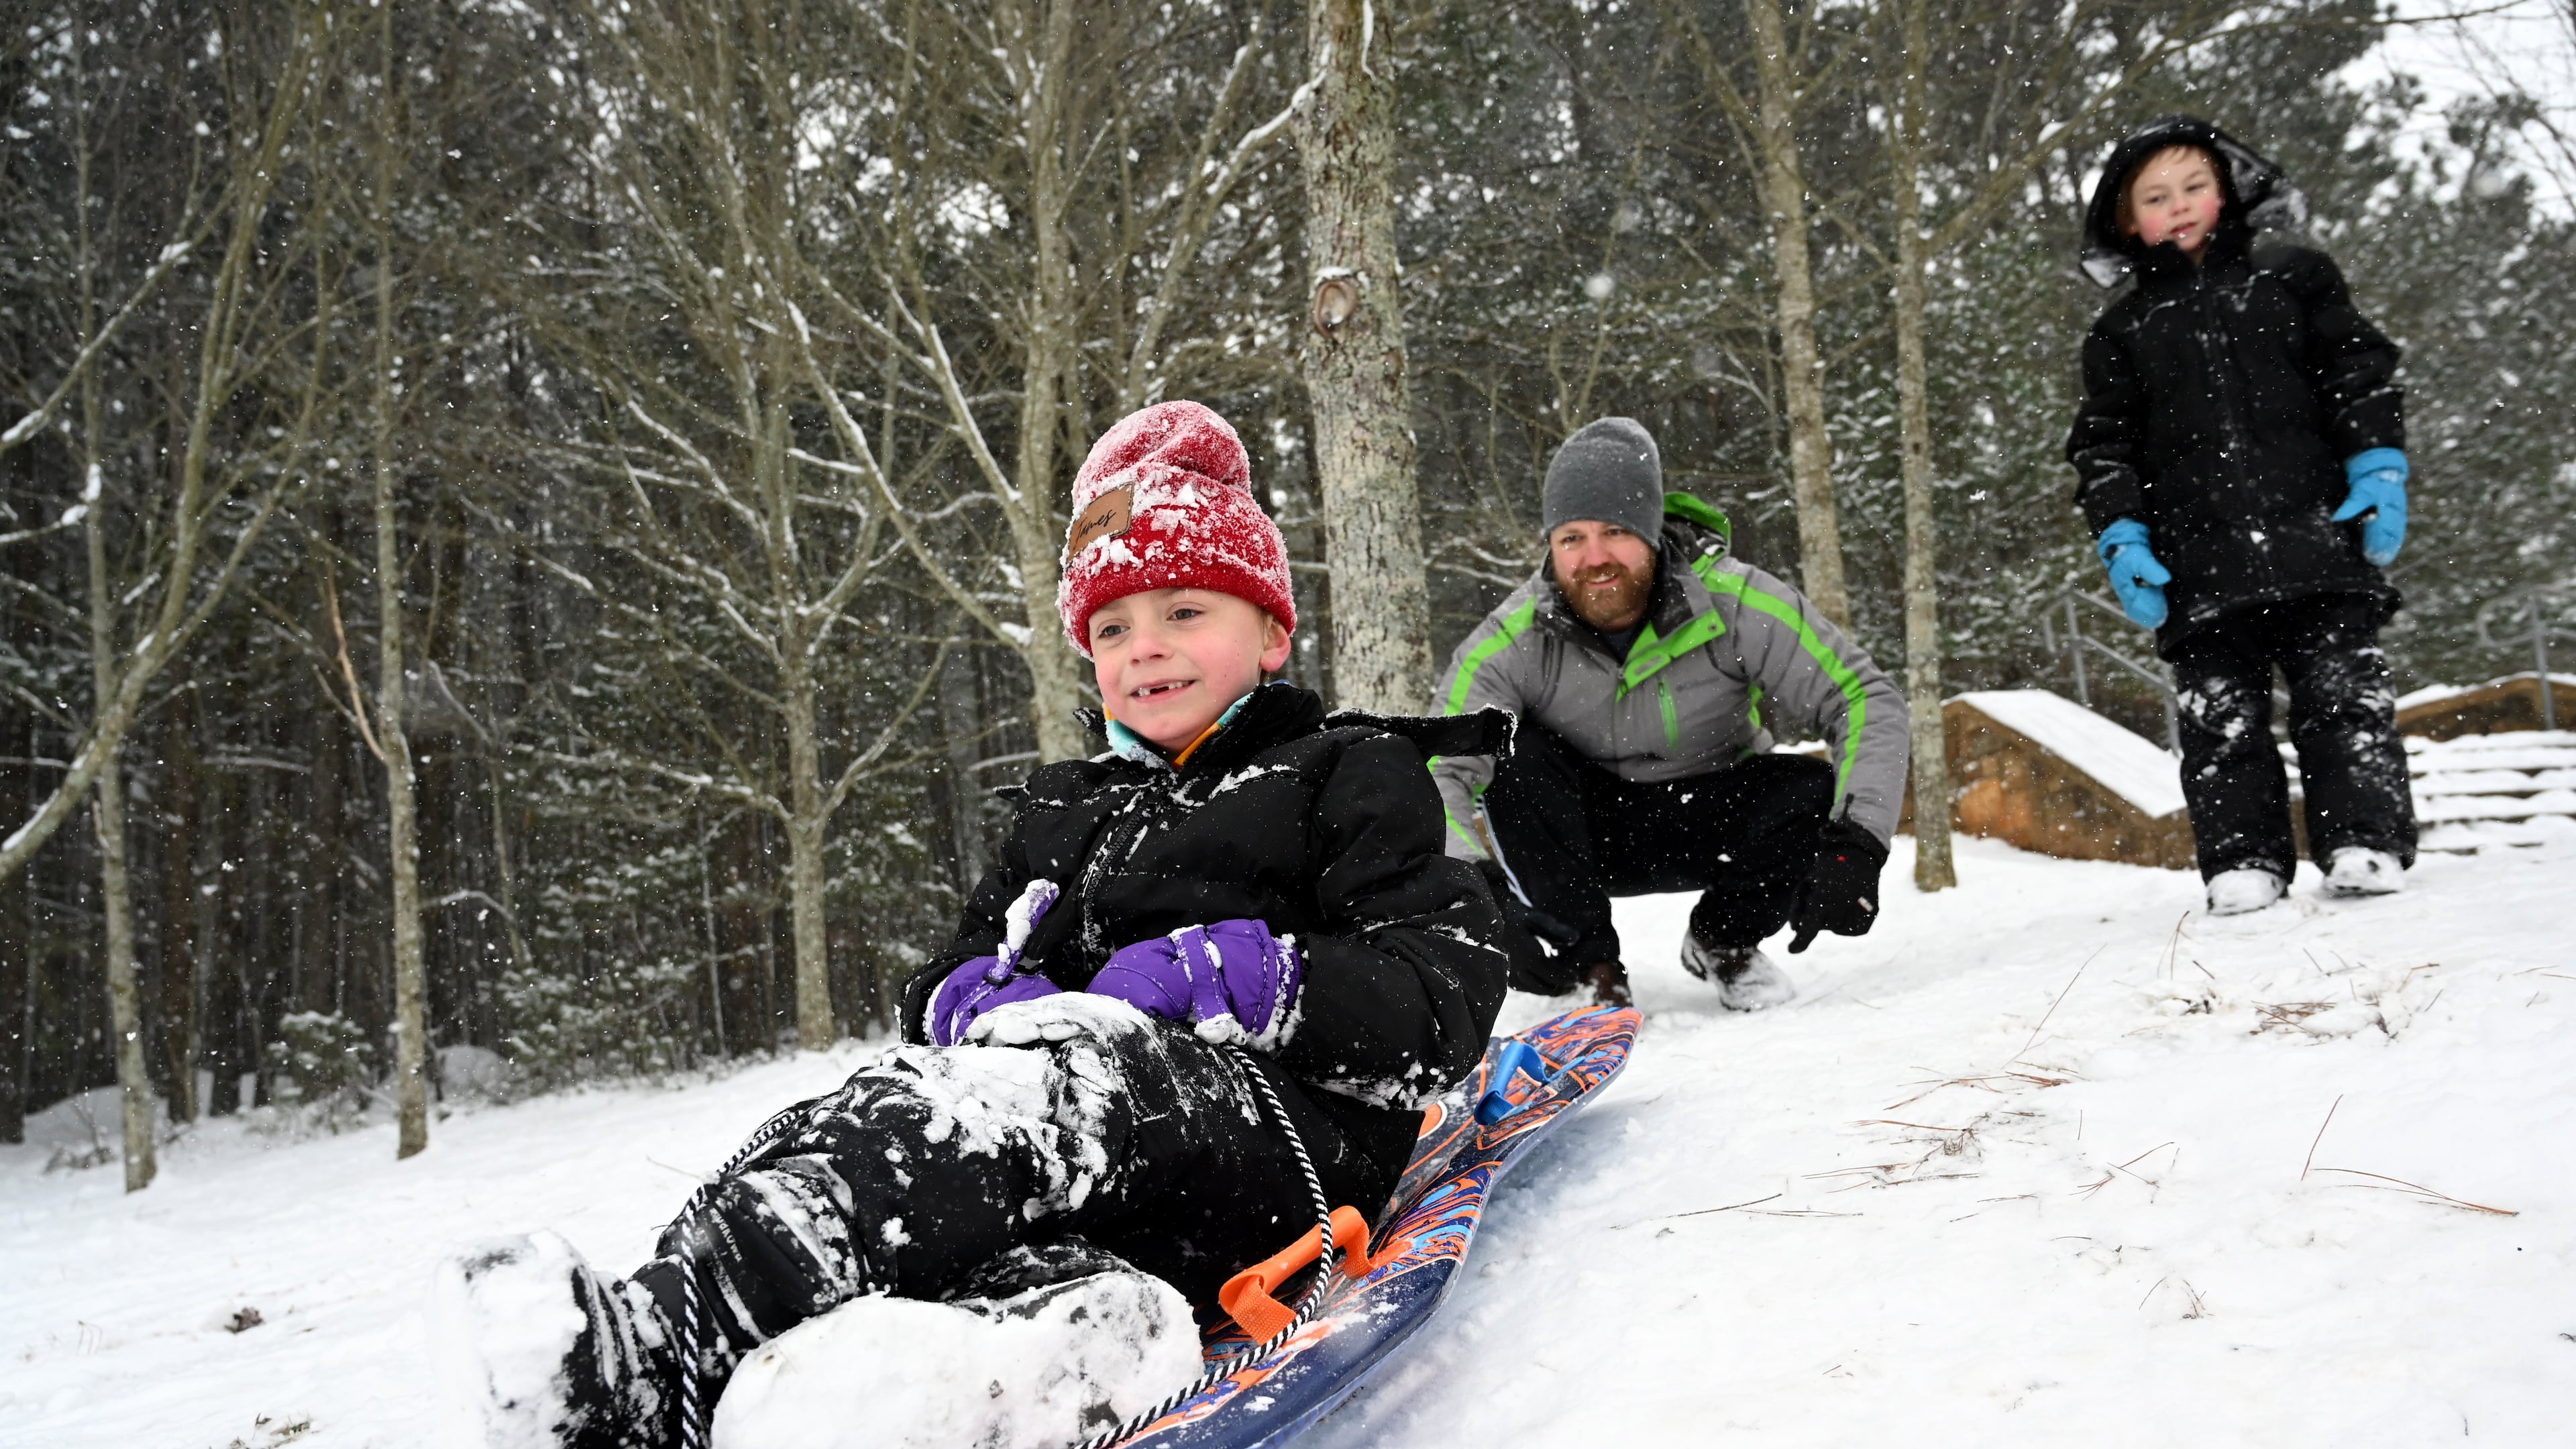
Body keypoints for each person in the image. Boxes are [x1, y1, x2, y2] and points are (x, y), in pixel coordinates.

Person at [435, 401, 1510, 1447]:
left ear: (1272, 630)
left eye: (1187, 612)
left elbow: (1445, 988)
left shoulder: (1344, 772)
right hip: (1091, 1163)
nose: (1148, 649)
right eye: (1114, 627)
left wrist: (1237, 974)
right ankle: (1034, 1342)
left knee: (1021, 1106)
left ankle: (662, 1364)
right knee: (891, 1106)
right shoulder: (1065, 808)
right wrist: (971, 997)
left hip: (1281, 1148)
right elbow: (952, 968)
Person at [1431, 417, 1909, 1012]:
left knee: (1810, 787)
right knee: (1513, 757)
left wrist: (1859, 845)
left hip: (1714, 817)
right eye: (1571, 538)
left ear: (1654, 533)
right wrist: (1473, 894)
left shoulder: (1737, 602)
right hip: (1585, 835)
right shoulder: (1511, 639)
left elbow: (1862, 696)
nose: (1595, 558)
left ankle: (1723, 940)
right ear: (1550, 547)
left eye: (1616, 531)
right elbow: (1438, 770)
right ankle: (1591, 971)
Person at [2067, 116, 2416, 916]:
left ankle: (2363, 838)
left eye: (2195, 186)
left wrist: (2376, 464)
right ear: (2128, 223)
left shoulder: (2294, 276)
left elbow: (2358, 374)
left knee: (2344, 702)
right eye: (2156, 197)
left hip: (2318, 539)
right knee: (2222, 723)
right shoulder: (2122, 331)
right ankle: (2245, 861)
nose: (2179, 206)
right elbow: (2104, 449)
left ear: (2227, 190)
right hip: (2201, 569)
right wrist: (2123, 536)